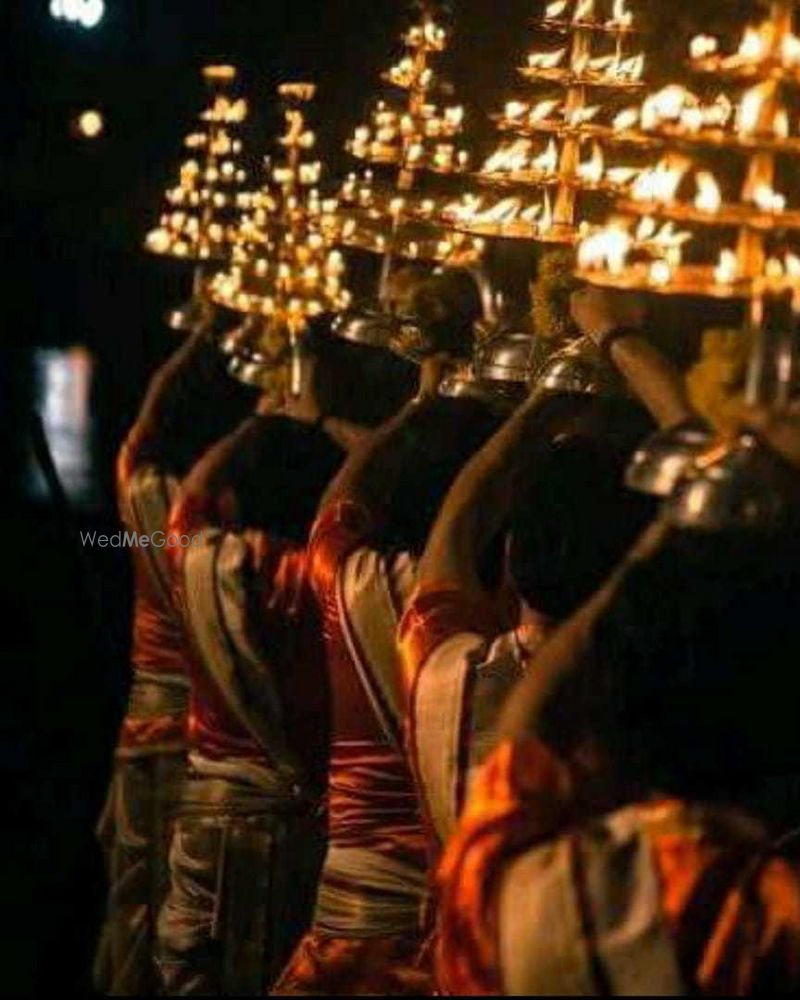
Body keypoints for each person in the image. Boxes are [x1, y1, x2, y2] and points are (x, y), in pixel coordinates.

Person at [434, 389, 800, 995]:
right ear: (796, 715)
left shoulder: (499, 874)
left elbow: (535, 709)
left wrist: (668, 536)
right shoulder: (784, 926)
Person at [272, 270, 501, 995]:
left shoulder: (351, 577)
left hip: (346, 896)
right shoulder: (477, 621)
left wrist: (423, 398)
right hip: (435, 921)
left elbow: (339, 500)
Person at [397, 285, 694, 844]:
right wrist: (614, 339)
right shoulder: (640, 707)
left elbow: (467, 506)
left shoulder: (445, 672)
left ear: (508, 551)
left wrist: (551, 391)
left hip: (446, 932)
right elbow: (707, 470)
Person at [154, 346, 360, 995]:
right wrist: (323, 421)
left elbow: (189, 493)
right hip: (290, 826)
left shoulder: (201, 561)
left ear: (234, 500)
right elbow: (352, 494)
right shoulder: (324, 582)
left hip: (205, 817)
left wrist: (260, 419)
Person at [93, 329, 254, 995]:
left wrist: (197, 339)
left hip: (148, 726)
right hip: (189, 730)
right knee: (169, 902)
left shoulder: (142, 492)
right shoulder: (208, 521)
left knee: (137, 892)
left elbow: (147, 419)